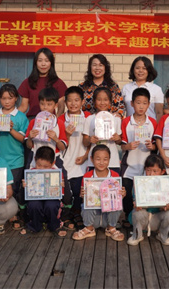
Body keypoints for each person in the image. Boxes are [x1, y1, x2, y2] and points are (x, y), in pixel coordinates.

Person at [0, 83, 29, 207]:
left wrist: (11, 130)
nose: (7, 101)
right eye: (4, 98)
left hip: (16, 160)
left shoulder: (21, 117)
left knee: (13, 188)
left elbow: (24, 139)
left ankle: (13, 212)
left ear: (16, 98)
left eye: (10, 98)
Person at [72, 144, 126, 242]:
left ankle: (111, 228)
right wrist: (83, 195)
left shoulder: (115, 176)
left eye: (105, 159)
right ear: (92, 159)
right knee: (86, 203)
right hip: (94, 218)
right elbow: (84, 198)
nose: (101, 162)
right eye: (98, 159)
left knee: (117, 203)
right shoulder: (87, 176)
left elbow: (117, 197)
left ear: (109, 159)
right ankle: (89, 228)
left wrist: (121, 194)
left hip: (108, 218)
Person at [120, 88, 158, 222]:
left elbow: (156, 145)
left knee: (143, 195)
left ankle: (142, 220)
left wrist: (152, 146)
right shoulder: (126, 122)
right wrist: (128, 146)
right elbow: (122, 145)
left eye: (144, 103)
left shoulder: (152, 122)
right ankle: (128, 219)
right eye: (138, 103)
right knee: (127, 195)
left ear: (149, 104)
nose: (141, 106)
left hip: (146, 167)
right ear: (132, 104)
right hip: (129, 167)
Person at [58, 86, 91, 229]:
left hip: (82, 159)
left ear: (82, 101)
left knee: (79, 189)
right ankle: (66, 215)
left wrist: (85, 155)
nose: (73, 104)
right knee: (67, 190)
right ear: (65, 102)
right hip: (66, 159)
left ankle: (77, 214)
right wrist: (67, 135)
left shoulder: (88, 117)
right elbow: (59, 144)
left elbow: (93, 141)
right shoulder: (60, 119)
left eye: (76, 100)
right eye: (70, 101)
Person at [21, 146, 71, 237]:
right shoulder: (31, 173)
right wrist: (24, 187)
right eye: (39, 165)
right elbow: (25, 195)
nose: (41, 169)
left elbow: (63, 196)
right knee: (33, 205)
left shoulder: (57, 174)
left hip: (52, 199)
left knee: (51, 205)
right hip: (36, 198)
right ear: (35, 160)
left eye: (46, 166)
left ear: (53, 163)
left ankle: (54, 226)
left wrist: (61, 187)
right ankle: (35, 226)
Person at [127, 154, 169, 246]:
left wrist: (166, 207)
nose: (151, 174)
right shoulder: (138, 183)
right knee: (137, 213)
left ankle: (163, 235)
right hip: (144, 218)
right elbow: (136, 202)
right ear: (145, 169)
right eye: (148, 170)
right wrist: (137, 204)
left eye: (155, 171)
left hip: (158, 218)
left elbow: (167, 204)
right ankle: (137, 235)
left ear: (162, 171)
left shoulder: (166, 184)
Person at [18, 48, 68, 119]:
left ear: (51, 63)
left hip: (50, 119)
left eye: (46, 61)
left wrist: (56, 120)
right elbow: (23, 107)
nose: (43, 64)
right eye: (40, 60)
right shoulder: (28, 82)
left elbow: (61, 106)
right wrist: (10, 116)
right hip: (32, 119)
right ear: (35, 63)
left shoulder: (58, 83)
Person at [24, 87, 67, 168]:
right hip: (36, 160)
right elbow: (29, 146)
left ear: (55, 105)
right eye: (42, 104)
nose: (45, 107)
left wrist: (56, 139)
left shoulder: (59, 123)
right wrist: (30, 138)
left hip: (54, 160)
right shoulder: (33, 122)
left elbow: (63, 147)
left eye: (49, 104)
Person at [83, 87, 123, 173]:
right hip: (94, 162)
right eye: (99, 99)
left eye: (105, 100)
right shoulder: (89, 119)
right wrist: (90, 140)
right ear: (94, 102)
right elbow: (85, 142)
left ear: (110, 102)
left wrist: (117, 138)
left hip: (112, 162)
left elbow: (119, 141)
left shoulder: (116, 119)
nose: (102, 103)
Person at [121, 56, 164, 121]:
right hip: (130, 125)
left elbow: (159, 112)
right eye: (137, 68)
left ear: (149, 70)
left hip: (150, 126)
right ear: (133, 70)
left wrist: (157, 127)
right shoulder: (126, 88)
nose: (140, 71)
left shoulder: (156, 89)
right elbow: (121, 110)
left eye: (144, 68)